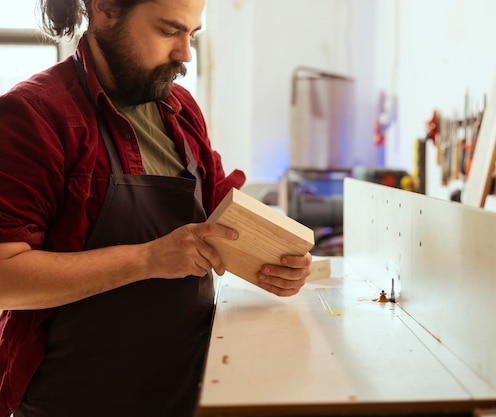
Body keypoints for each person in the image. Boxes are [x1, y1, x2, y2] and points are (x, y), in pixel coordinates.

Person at [0, 0, 312, 415]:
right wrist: (148, 258)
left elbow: (219, 206)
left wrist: (277, 258)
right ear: (106, 10)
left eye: (192, 34)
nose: (185, 53)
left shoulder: (180, 110)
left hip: (185, 388)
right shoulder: (34, 116)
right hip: (77, 398)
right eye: (169, 31)